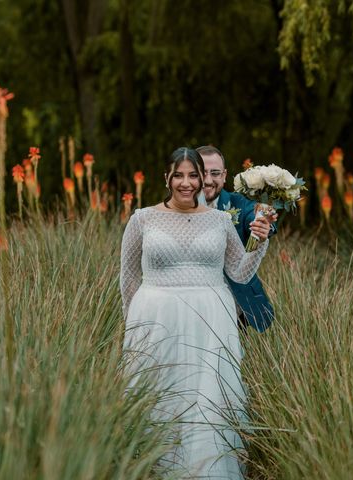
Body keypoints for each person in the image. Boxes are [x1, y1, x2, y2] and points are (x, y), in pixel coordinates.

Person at [120, 147, 270, 479]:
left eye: (193, 175)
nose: (185, 183)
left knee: (208, 399)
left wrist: (259, 243)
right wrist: (134, 330)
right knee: (160, 395)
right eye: (178, 175)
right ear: (167, 178)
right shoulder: (142, 219)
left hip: (211, 319)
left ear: (203, 179)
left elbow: (239, 272)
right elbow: (128, 278)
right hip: (156, 320)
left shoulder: (220, 221)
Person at [196, 145, 276, 332]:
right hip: (193, 308)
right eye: (201, 172)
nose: (208, 180)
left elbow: (255, 213)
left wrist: (263, 223)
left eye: (215, 173)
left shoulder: (237, 202)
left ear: (224, 176)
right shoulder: (179, 209)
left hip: (238, 309)